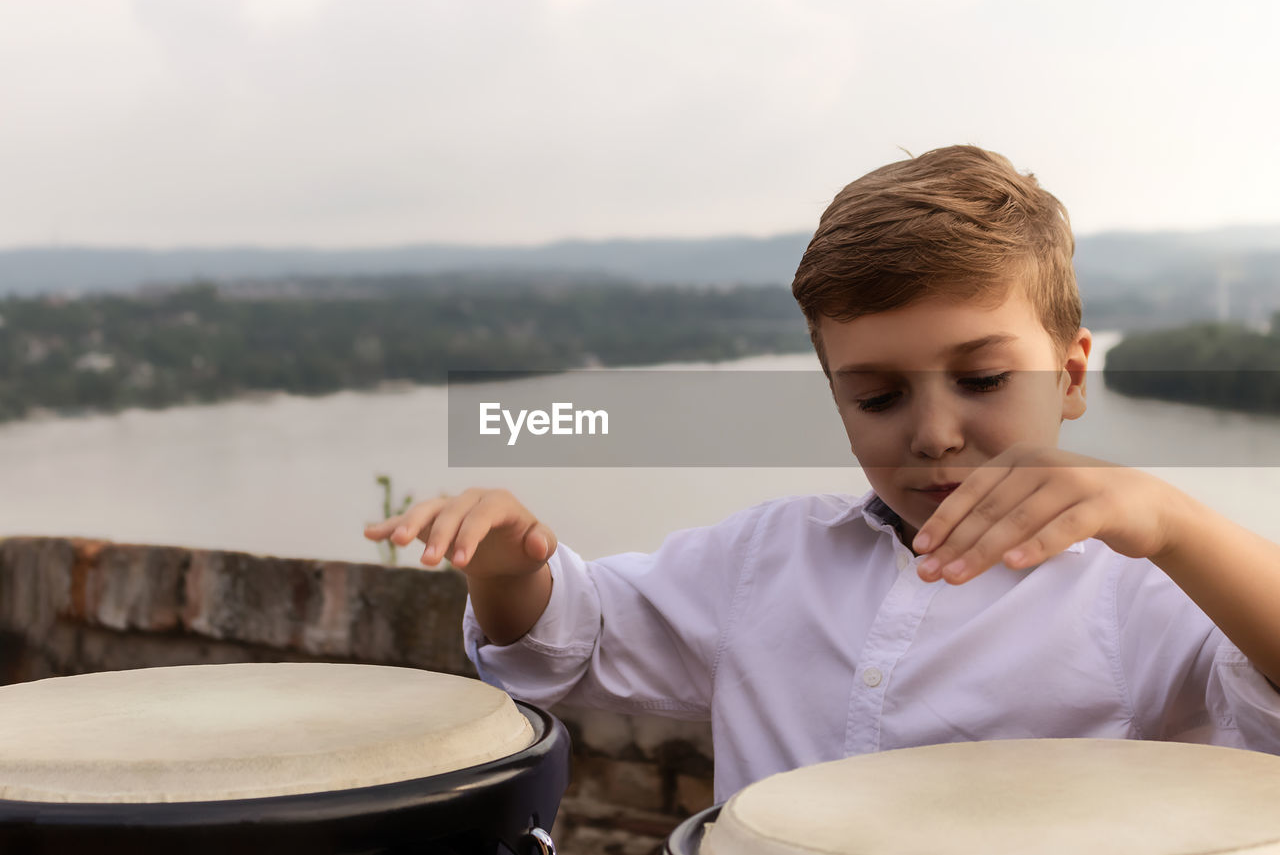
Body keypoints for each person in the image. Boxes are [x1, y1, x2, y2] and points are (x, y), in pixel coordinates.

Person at [364, 144, 1280, 802]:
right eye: (877, 396)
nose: (934, 433)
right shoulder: (767, 557)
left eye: (984, 380)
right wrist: (509, 567)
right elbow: (575, 640)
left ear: (1072, 374)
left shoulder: (1139, 592)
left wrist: (1173, 520)